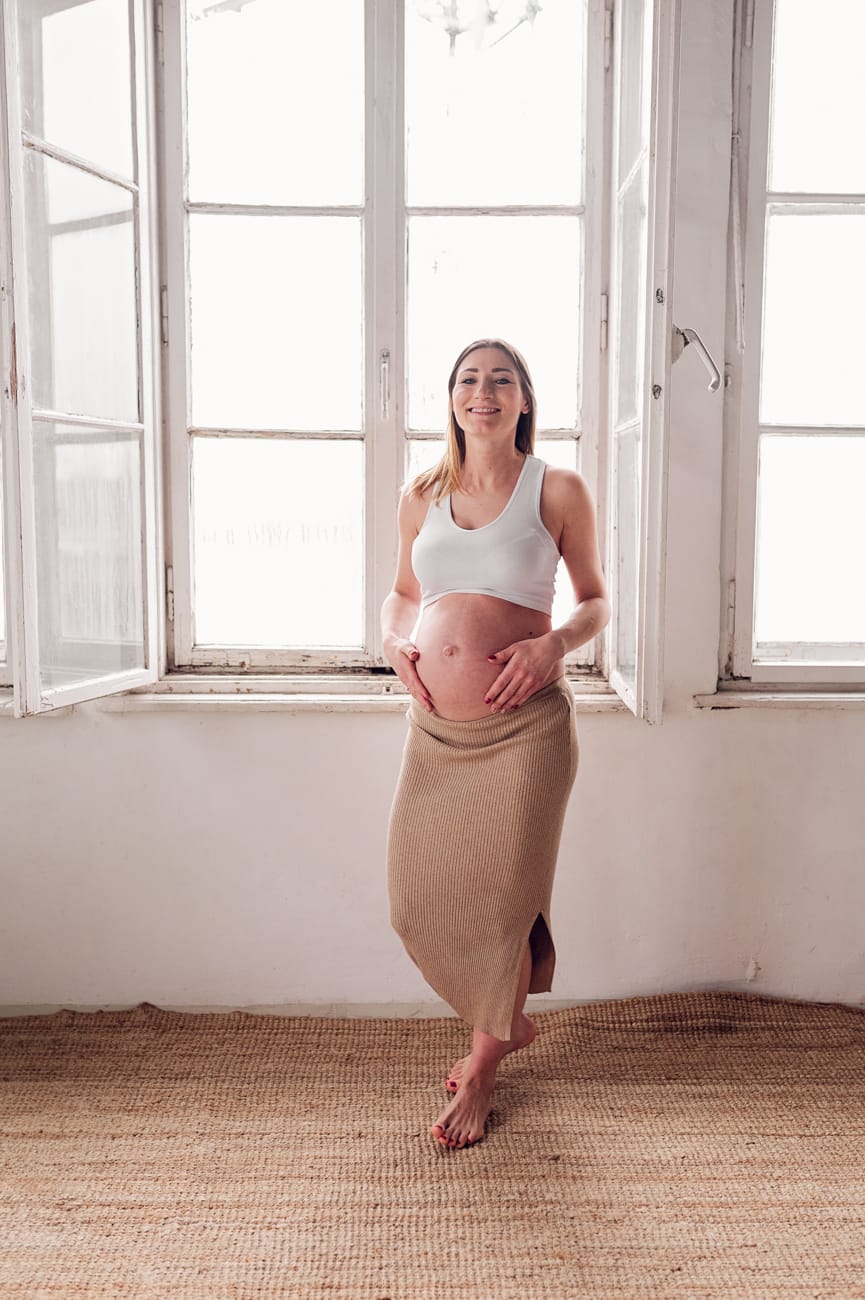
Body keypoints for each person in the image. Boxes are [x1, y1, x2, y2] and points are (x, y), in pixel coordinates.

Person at [382, 338, 610, 1150]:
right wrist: (393, 641)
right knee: (414, 900)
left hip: (527, 730)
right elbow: (404, 594)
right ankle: (505, 1023)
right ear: (451, 399)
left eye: (500, 380)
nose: (483, 392)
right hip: (437, 732)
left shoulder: (557, 487)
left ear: (522, 400)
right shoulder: (422, 494)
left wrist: (553, 646)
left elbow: (592, 601)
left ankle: (483, 1066)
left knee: (503, 908)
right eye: (468, 380)